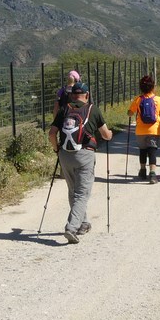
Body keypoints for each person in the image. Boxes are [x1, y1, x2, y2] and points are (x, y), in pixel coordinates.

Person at [48, 81, 112, 243]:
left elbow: (51, 133)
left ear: (71, 95)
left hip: (65, 155)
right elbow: (106, 135)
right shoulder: (93, 109)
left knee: (73, 191)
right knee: (82, 193)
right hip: (85, 154)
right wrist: (110, 134)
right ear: (87, 95)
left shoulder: (64, 109)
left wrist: (57, 149)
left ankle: (83, 223)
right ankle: (71, 227)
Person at [127, 75, 160, 184]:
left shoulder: (138, 99)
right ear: (153, 87)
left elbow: (130, 113)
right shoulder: (158, 99)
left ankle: (143, 170)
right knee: (152, 151)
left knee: (142, 151)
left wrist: (131, 112)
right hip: (154, 130)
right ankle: (152, 174)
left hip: (140, 131)